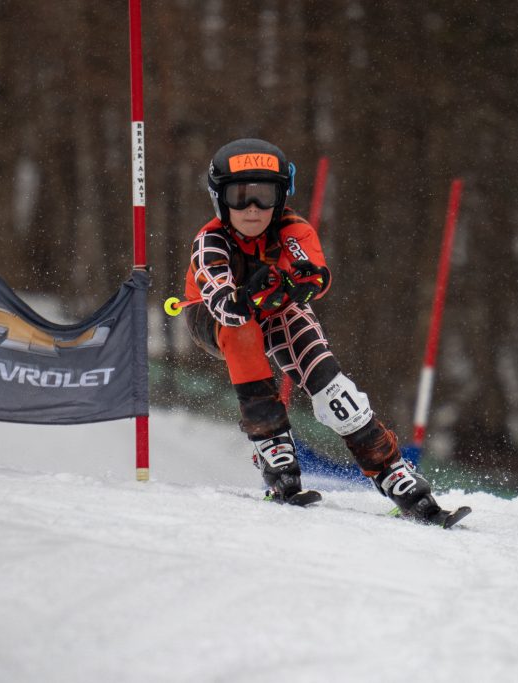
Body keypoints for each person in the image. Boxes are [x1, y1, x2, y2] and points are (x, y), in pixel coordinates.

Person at [183, 137, 462, 525]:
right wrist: (248, 296)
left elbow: (312, 270)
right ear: (220, 199)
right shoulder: (210, 241)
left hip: (278, 305)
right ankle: (272, 444)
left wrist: (302, 281)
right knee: (244, 330)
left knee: (329, 385)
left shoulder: (292, 228)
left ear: (281, 199)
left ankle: (391, 469)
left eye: (264, 196)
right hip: (211, 317)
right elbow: (223, 303)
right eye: (239, 196)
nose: (251, 209)